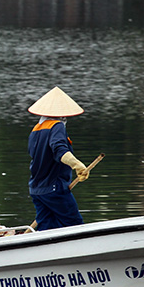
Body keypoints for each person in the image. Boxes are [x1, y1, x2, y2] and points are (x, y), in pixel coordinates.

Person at [27, 86, 89, 231]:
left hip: (36, 189)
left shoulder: (35, 130)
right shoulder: (57, 126)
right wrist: (78, 165)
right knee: (74, 224)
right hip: (54, 188)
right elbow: (59, 150)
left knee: (46, 228)